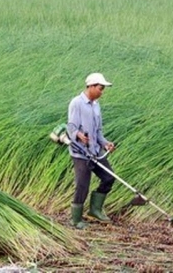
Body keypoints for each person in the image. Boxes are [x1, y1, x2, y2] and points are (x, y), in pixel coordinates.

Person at [66, 72, 116, 229]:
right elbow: (70, 127)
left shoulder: (96, 105)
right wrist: (78, 135)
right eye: (100, 88)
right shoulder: (77, 103)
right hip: (81, 153)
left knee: (108, 177)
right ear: (91, 86)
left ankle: (95, 210)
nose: (102, 92)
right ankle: (76, 219)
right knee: (82, 185)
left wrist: (105, 143)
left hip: (95, 151)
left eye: (103, 89)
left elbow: (98, 131)